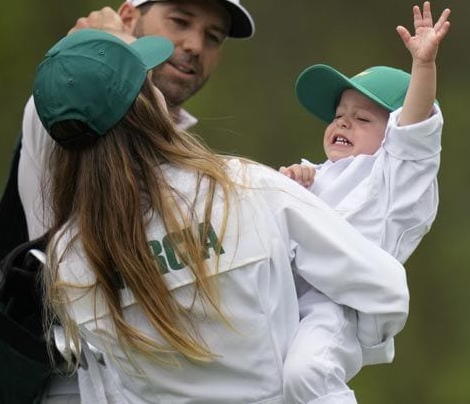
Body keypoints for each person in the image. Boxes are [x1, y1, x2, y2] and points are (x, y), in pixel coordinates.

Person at [35, 28, 409, 403]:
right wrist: (327, 345)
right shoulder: (243, 187)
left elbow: (103, 392)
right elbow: (386, 290)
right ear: (148, 107)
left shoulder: (65, 260)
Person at [4, 0, 255, 403]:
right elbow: (80, 76)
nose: (195, 45)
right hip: (66, 383)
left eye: (212, 36)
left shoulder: (185, 148)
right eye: (180, 21)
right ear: (128, 17)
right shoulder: (71, 107)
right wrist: (104, 47)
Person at [278, 2, 450, 403]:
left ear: (393, 132)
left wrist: (423, 67)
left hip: (338, 304)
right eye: (339, 115)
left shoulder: (395, 176)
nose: (342, 123)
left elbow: (415, 129)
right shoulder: (319, 173)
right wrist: (291, 182)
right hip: (282, 296)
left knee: (308, 374)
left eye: (362, 118)